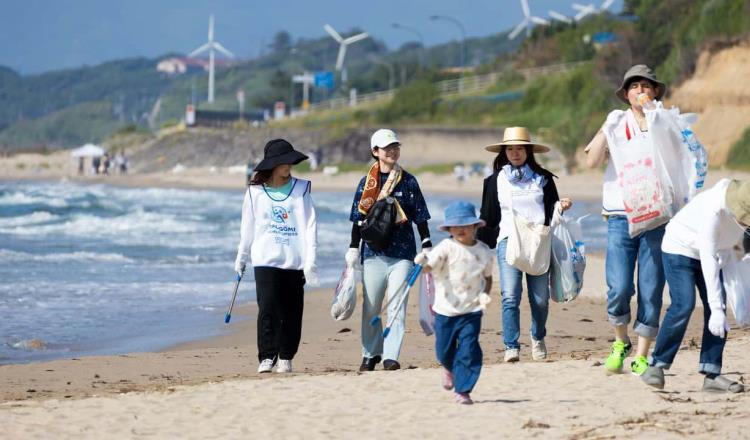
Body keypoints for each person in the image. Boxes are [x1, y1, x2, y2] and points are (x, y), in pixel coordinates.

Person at [585, 64, 671, 376]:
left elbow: (683, 161)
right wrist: (604, 130)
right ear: (625, 94)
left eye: (646, 86)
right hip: (620, 214)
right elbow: (592, 161)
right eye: (634, 87)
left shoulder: (666, 122)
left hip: (656, 215)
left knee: (650, 287)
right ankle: (620, 342)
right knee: (619, 286)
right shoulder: (616, 121)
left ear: (656, 91)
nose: (640, 91)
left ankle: (643, 354)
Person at [641, 179, 749, 393]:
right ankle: (656, 365)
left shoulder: (741, 209)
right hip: (680, 248)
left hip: (716, 253)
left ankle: (712, 374)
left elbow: (735, 253)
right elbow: (707, 257)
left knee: (718, 312)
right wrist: (717, 308)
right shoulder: (713, 212)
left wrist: (729, 304)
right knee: (684, 304)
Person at [478, 126, 572, 363]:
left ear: (528, 151)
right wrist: (471, 239)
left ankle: (537, 337)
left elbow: (552, 212)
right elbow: (488, 216)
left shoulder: (544, 178)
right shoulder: (494, 181)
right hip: (508, 241)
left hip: (538, 242)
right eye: (510, 148)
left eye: (520, 148)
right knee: (510, 295)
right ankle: (511, 346)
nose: (515, 152)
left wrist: (561, 206)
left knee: (539, 299)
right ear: (504, 152)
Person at [346, 128, 432, 372]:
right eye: (387, 148)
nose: (393, 151)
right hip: (372, 253)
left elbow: (420, 217)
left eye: (396, 146)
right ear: (376, 152)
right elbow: (358, 219)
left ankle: (391, 356)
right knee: (371, 306)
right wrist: (353, 249)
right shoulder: (366, 183)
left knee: (397, 303)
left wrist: (426, 243)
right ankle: (370, 353)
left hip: (403, 254)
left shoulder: (409, 180)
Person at [234, 139, 318, 374]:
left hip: (294, 259)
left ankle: (286, 356)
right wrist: (242, 257)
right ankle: (266, 356)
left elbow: (310, 225)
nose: (289, 165)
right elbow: (247, 228)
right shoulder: (254, 193)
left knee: (292, 310)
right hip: (264, 259)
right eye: (285, 161)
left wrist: (310, 260)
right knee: (267, 308)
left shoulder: (301, 189)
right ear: (273, 164)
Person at [414, 201, 493, 405]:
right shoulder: (446, 247)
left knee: (469, 349)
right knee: (444, 351)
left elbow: (488, 277)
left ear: (475, 226)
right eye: (455, 226)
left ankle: (464, 390)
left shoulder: (483, 251)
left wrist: (485, 294)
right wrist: (422, 261)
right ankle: (448, 368)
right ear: (449, 229)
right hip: (445, 311)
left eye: (466, 225)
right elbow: (428, 268)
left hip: (471, 310)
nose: (461, 229)